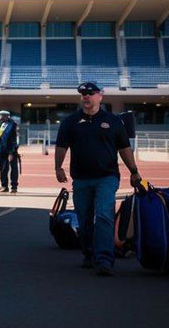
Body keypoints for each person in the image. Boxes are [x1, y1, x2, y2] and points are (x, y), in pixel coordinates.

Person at [55, 81, 142, 277]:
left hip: (107, 177)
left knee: (103, 215)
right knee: (84, 219)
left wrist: (134, 171)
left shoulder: (113, 121)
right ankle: (89, 253)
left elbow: (124, 149)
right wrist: (58, 167)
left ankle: (104, 260)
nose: (86, 96)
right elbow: (61, 146)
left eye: (91, 93)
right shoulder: (70, 122)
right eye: (83, 94)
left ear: (100, 96)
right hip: (81, 179)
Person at [0, 110, 19, 194]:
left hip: (10, 150)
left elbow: (13, 140)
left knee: (13, 169)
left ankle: (14, 186)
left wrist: (12, 152)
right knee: (3, 169)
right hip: (2, 151)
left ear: (6, 116)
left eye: (1, 116)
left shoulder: (11, 125)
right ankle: (4, 186)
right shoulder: (1, 124)